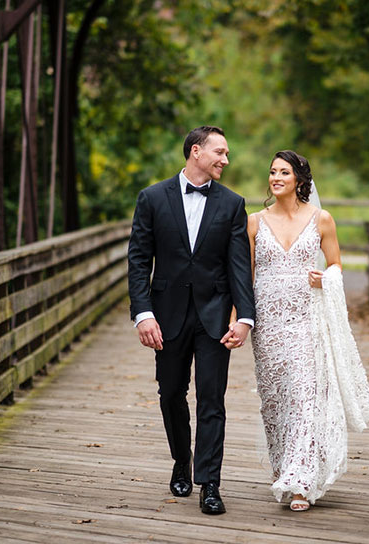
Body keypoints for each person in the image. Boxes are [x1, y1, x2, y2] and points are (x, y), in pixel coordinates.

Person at [127, 126, 255, 515]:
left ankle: (210, 484)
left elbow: (238, 266)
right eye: (220, 152)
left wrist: (245, 317)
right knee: (170, 395)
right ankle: (181, 459)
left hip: (215, 316)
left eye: (227, 153)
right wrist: (143, 314)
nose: (225, 160)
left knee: (212, 401)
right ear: (196, 152)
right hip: (166, 316)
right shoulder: (151, 198)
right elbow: (138, 260)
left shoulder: (233, 204)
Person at [244, 150, 369, 512]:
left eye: (283, 172)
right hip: (269, 326)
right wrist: (239, 320)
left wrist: (326, 280)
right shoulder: (254, 222)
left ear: (300, 180)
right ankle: (283, 467)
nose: (275, 177)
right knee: (276, 403)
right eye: (272, 172)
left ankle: (301, 482)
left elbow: (336, 266)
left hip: (306, 321)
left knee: (305, 400)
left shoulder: (322, 220)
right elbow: (245, 277)